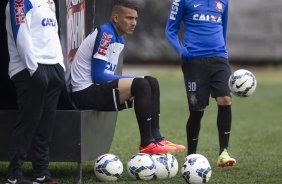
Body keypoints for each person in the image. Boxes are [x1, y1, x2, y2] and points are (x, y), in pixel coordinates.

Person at [70, 0, 185, 155]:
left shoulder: (120, 38)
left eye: (135, 19)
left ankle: (157, 138)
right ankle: (147, 143)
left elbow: (108, 74)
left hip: (94, 89)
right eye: (129, 18)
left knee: (152, 81)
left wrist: (132, 79)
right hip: (84, 93)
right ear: (116, 18)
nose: (134, 23)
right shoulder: (106, 35)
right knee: (142, 84)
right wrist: (133, 79)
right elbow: (97, 76)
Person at [165, 0, 236, 167]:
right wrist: (182, 51)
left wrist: (223, 52)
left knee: (225, 98)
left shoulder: (223, 2)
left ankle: (223, 153)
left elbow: (223, 29)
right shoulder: (181, 1)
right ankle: (191, 156)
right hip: (194, 60)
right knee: (197, 110)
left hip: (219, 58)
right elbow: (170, 30)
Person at [5, 0, 65, 183]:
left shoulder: (49, 1)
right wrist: (33, 69)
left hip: (53, 68)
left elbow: (53, 35)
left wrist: (60, 66)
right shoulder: (19, 2)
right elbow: (21, 34)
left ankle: (41, 172)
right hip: (29, 69)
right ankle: (14, 175)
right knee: (29, 122)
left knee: (46, 124)